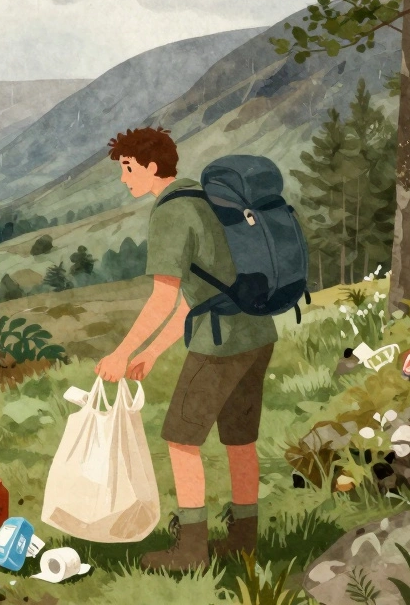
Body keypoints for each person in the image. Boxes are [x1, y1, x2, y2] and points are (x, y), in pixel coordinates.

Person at [95, 126, 276, 572]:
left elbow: (164, 298)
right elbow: (207, 293)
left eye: (128, 168)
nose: (123, 178)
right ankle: (243, 540)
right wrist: (154, 352)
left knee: (181, 437)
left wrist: (120, 354)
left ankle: (192, 550)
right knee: (240, 440)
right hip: (256, 331)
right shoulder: (206, 198)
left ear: (152, 166)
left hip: (220, 343)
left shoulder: (171, 213)